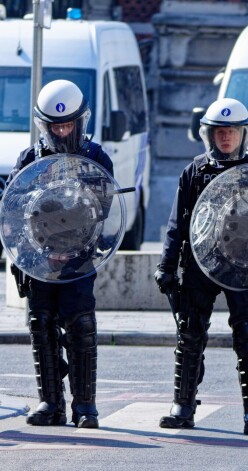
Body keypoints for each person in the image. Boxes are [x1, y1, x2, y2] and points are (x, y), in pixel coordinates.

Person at [154, 98, 248, 436]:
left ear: (243, 134)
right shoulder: (193, 171)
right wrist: (166, 265)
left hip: (243, 267)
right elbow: (177, 224)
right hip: (199, 265)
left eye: (231, 131)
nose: (225, 138)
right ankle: (183, 407)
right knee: (189, 334)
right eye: (219, 132)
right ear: (209, 135)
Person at [8, 80, 113, 428]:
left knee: (81, 326)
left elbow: (102, 210)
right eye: (55, 126)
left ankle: (85, 406)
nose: (62, 131)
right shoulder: (30, 159)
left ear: (79, 122)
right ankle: (50, 403)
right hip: (38, 262)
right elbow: (12, 207)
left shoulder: (96, 157)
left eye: (67, 124)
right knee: (41, 326)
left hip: (78, 260)